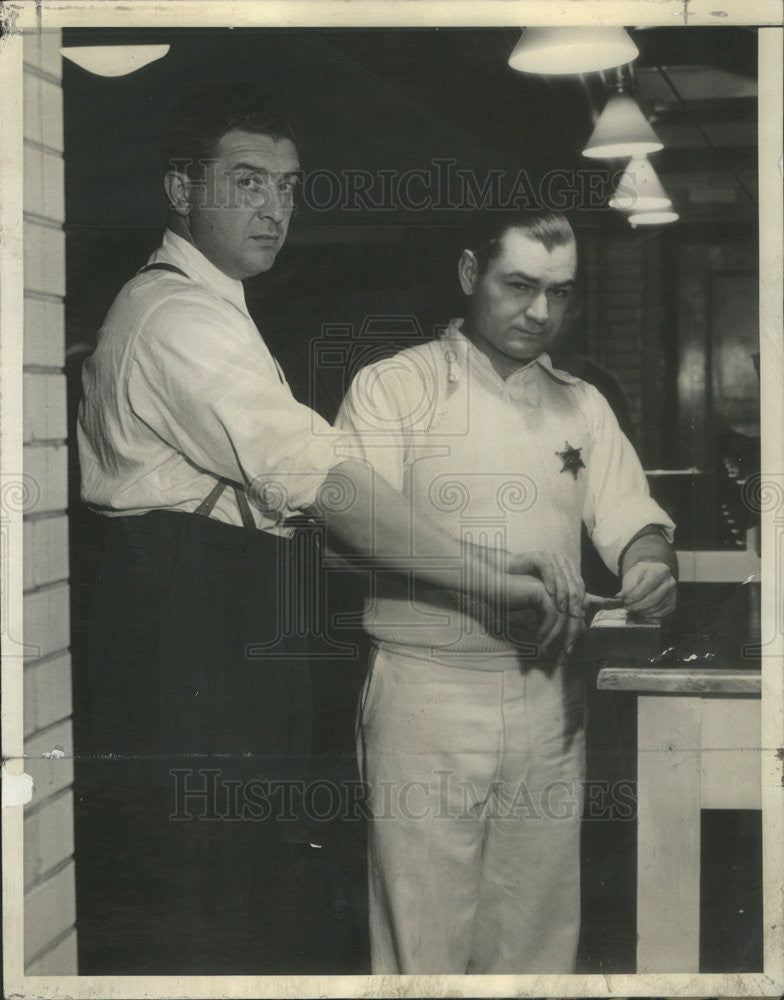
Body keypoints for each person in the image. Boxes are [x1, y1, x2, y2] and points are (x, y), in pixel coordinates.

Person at [75, 85, 575, 974]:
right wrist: (488, 580)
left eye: (289, 185)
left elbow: (336, 496)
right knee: (201, 882)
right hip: (183, 609)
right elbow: (326, 481)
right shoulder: (179, 317)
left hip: (210, 600)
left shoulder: (212, 307)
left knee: (240, 873)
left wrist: (476, 558)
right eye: (247, 182)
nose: (275, 208)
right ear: (182, 189)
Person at [335, 209, 678, 974]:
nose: (540, 313)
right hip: (428, 687)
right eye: (519, 286)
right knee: (421, 938)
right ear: (468, 274)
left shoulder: (582, 403)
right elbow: (356, 528)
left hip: (550, 695)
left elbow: (632, 517)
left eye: (560, 293)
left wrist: (650, 565)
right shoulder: (395, 386)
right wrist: (489, 576)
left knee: (537, 937)